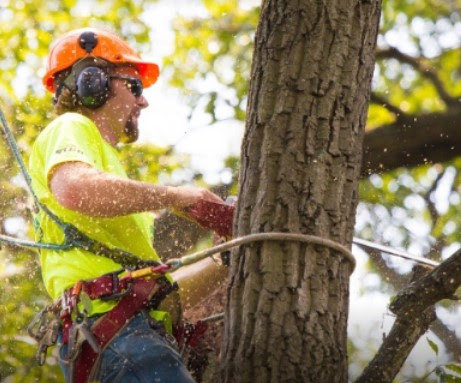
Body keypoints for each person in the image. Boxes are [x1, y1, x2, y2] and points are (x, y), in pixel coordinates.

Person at [29, 27, 227, 382]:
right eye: (134, 86)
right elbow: (75, 189)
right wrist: (176, 195)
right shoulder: (72, 126)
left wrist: (225, 258)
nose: (143, 101)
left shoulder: (109, 170)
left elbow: (161, 296)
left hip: (130, 334)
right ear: (94, 84)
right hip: (120, 338)